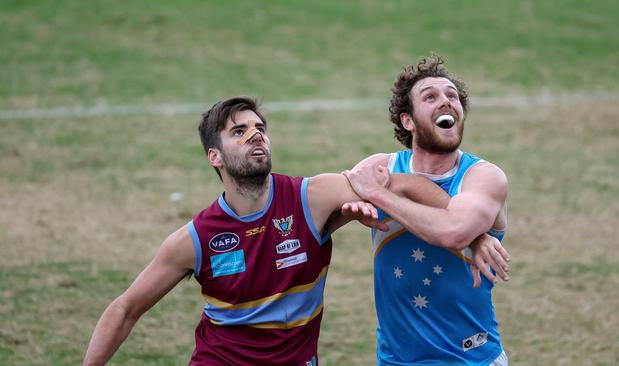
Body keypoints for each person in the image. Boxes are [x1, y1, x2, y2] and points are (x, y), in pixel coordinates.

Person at [83, 96, 507, 366]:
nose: (256, 136)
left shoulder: (311, 198)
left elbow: (402, 183)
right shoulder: (195, 239)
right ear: (215, 156)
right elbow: (125, 309)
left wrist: (471, 231)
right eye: (239, 131)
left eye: (260, 129)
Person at [342, 54, 511, 365]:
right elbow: (332, 200)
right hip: (396, 361)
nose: (446, 101)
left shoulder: (483, 177)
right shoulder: (381, 167)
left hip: (471, 359)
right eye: (430, 96)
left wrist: (384, 194)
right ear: (408, 121)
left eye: (452, 96)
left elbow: (453, 231)